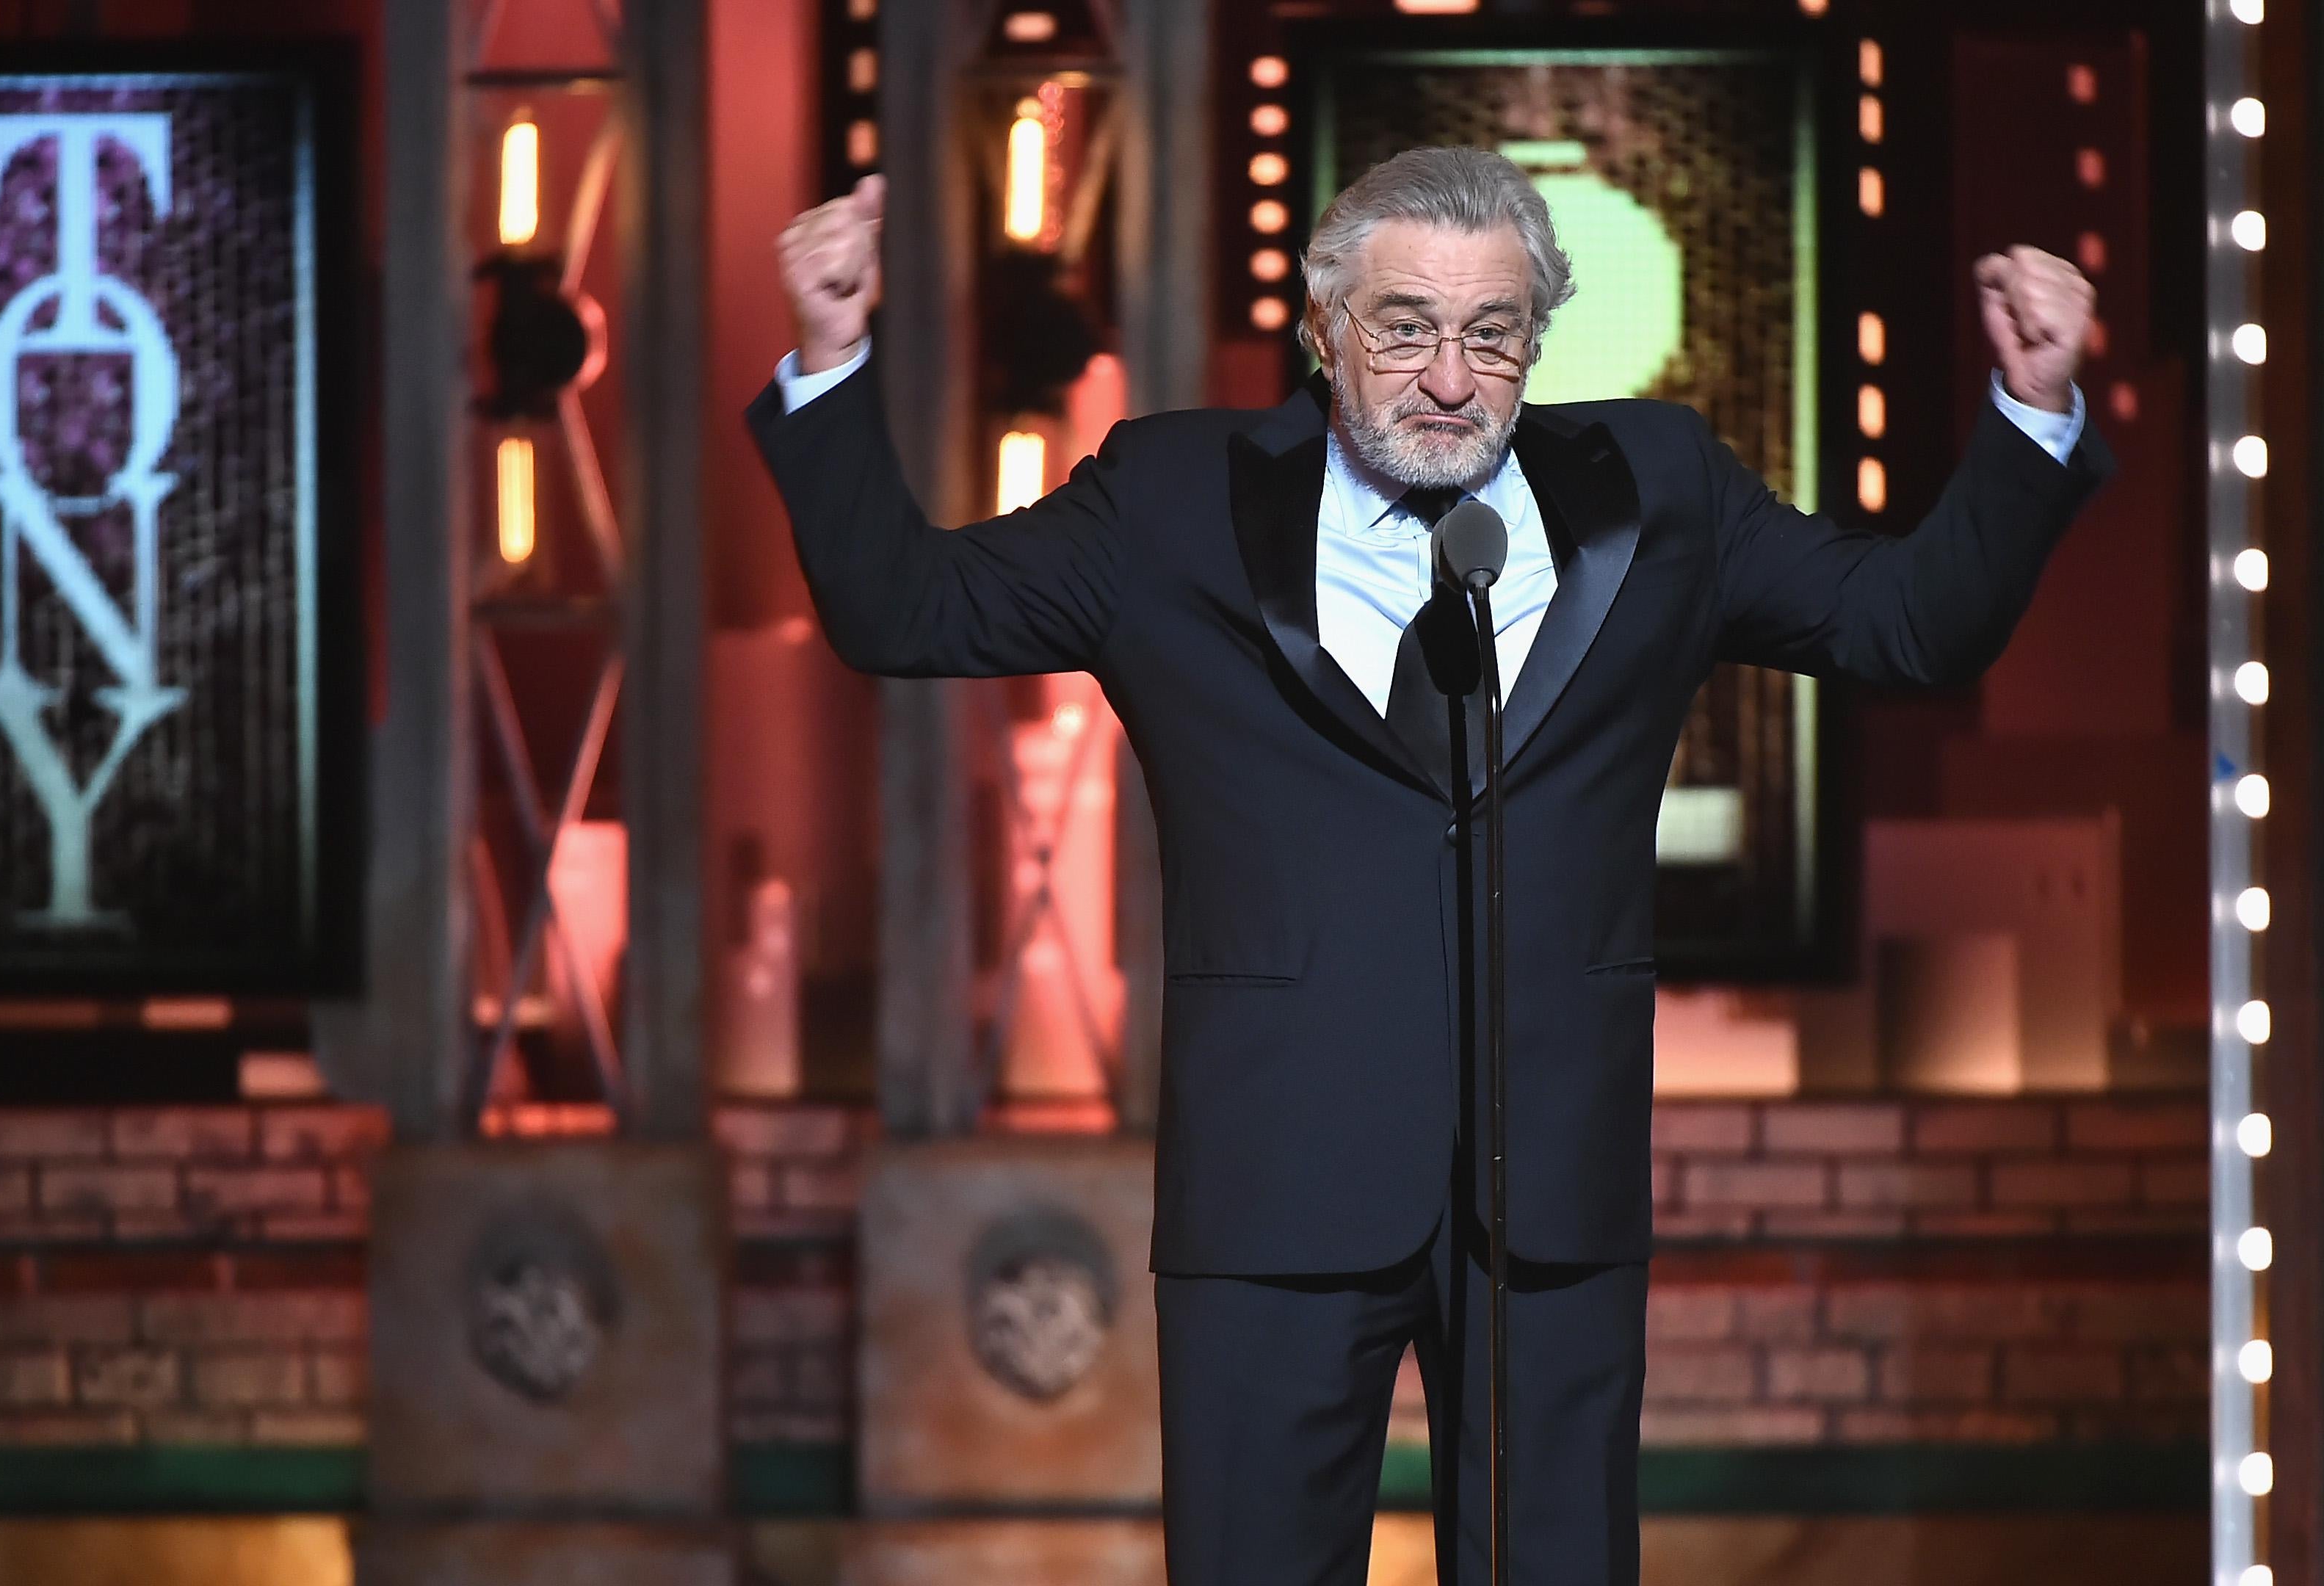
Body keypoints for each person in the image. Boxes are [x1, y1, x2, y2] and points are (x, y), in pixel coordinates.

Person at [750, 146, 2108, 1586]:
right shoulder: (1169, 499)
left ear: (1536, 341)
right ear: (1326, 328)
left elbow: (1907, 626)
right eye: (1404, 328)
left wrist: (2029, 413)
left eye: (1494, 334)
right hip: (1277, 1186)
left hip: (1550, 1194)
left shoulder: (1658, 493)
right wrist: (835, 357)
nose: (1450, 381)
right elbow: (905, 606)